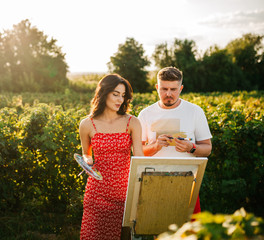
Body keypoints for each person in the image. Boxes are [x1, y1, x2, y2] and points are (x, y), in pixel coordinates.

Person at [138, 66, 212, 213]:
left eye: (173, 89)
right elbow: (138, 153)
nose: (168, 94)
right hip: (154, 180)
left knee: (189, 232)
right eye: (164, 89)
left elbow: (208, 149)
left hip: (188, 180)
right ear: (157, 87)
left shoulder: (195, 111)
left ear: (181, 88)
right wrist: (155, 146)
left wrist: (191, 147)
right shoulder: (145, 114)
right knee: (157, 230)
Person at [79, 74, 144, 240]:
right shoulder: (87, 124)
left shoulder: (132, 122)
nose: (120, 100)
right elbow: (86, 153)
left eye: (123, 96)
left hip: (124, 193)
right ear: (104, 93)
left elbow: (139, 158)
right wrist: (87, 162)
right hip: (96, 192)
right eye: (115, 94)